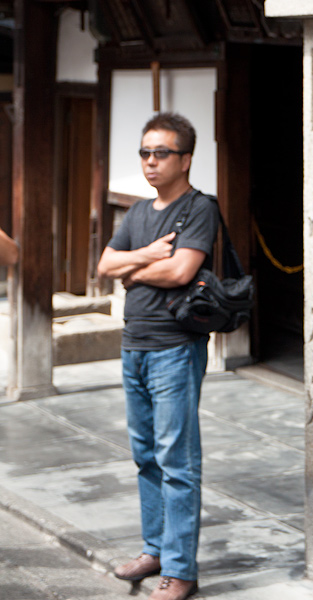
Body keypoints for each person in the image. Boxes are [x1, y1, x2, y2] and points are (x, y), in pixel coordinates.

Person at [97, 112, 218, 600]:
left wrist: (135, 269)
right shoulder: (140, 212)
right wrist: (148, 256)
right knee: (145, 456)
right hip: (134, 348)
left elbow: (182, 271)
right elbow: (107, 264)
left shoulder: (199, 208)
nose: (150, 161)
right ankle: (156, 549)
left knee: (176, 460)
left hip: (174, 348)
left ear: (185, 159)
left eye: (161, 153)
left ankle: (181, 571)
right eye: (145, 153)